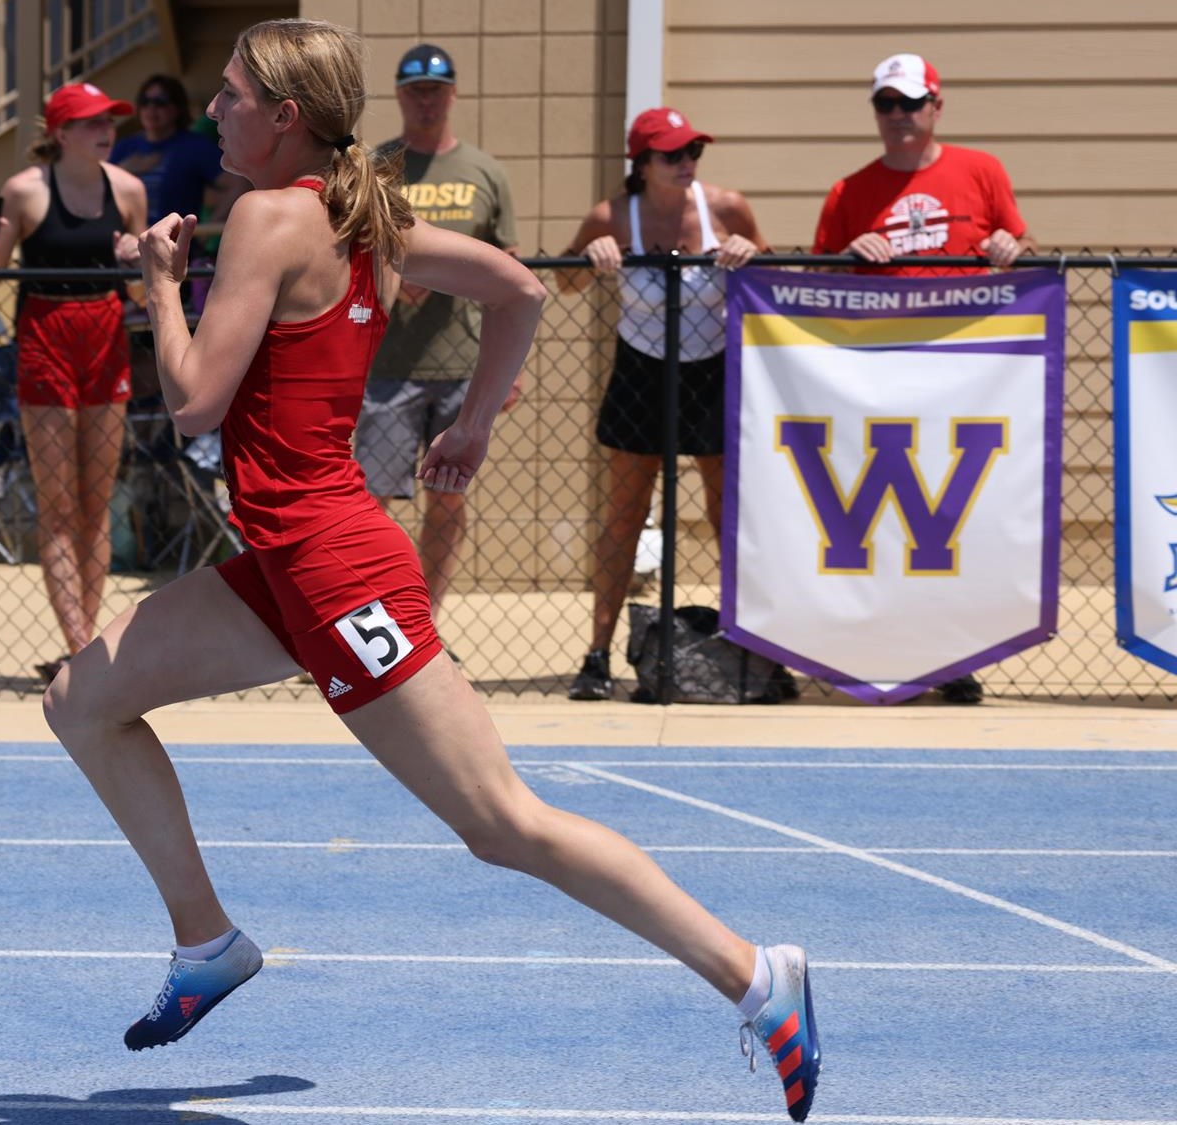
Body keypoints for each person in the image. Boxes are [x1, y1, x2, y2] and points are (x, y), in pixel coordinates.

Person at [40, 21, 820, 1123]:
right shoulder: (365, 216)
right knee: (81, 701)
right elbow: (520, 292)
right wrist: (478, 429)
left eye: (227, 98)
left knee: (500, 823)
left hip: (336, 570)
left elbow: (196, 401)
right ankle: (205, 940)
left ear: (285, 118)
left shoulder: (269, 216)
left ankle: (751, 973)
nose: (210, 112)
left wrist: (160, 286)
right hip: (286, 559)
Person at [812, 51, 1032, 705]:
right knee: (883, 520)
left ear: (937, 106)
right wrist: (848, 259)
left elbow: (1020, 251)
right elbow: (812, 284)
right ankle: (876, 648)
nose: (899, 116)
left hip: (967, 373)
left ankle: (949, 655)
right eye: (886, 103)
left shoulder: (982, 170)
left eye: (911, 103)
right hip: (880, 373)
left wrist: (1010, 251)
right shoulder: (849, 191)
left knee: (954, 518)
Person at [556, 107, 765, 702]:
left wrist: (748, 251)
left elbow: (769, 266)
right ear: (642, 163)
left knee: (727, 513)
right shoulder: (613, 215)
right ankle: (598, 653)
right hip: (642, 370)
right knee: (625, 514)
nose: (686, 163)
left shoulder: (726, 206)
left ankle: (748, 641)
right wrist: (591, 258)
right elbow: (566, 283)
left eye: (693, 151)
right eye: (672, 154)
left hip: (712, 369)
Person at [0, 83, 148, 682]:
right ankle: (80, 644)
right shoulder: (23, 191)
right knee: (60, 504)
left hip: (104, 329)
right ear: (61, 132)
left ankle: (83, 645)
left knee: (98, 502)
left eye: (109, 120)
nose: (106, 130)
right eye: (93, 121)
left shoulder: (128, 190)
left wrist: (136, 263)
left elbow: (147, 295)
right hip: (45, 330)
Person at [355, 44, 520, 628]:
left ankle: (420, 624)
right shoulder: (374, 165)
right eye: (416, 90)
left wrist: (511, 368)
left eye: (437, 89)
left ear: (452, 94)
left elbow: (509, 268)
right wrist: (396, 273)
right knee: (368, 502)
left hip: (461, 363)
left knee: (447, 500)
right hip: (387, 362)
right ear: (400, 95)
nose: (427, 100)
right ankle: (362, 621)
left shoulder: (483, 170)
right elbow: (347, 249)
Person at [110, 75, 248, 228]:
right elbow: (94, 191)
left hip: (174, 246)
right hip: (128, 246)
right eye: (145, 101)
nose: (151, 108)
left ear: (177, 109)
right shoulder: (125, 147)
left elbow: (239, 185)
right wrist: (124, 170)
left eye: (160, 102)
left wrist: (204, 231)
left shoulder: (194, 146)